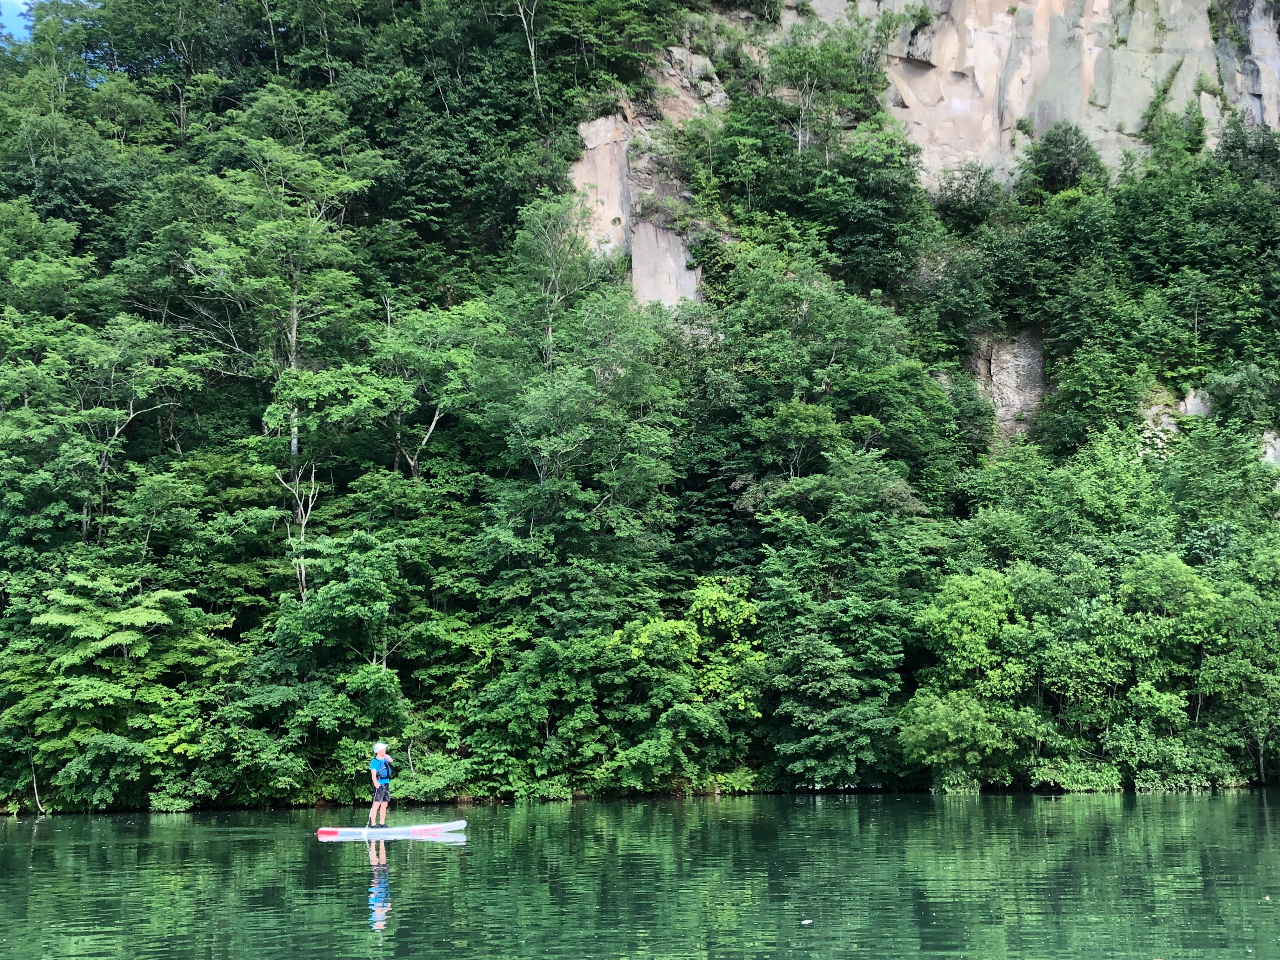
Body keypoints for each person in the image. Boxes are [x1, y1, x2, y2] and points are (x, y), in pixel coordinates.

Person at [368, 742, 393, 827]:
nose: (385, 750)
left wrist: (384, 755)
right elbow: (373, 774)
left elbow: (391, 760)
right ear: (379, 751)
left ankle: (382, 823)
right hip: (379, 784)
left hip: (386, 783)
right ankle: (373, 824)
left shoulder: (386, 758)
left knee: (384, 804)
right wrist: (375, 783)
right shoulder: (374, 762)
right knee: (376, 804)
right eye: (383, 749)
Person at [368, 839, 389, 931]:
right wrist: (384, 910)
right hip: (384, 883)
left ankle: (374, 842)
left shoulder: (373, 905)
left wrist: (374, 881)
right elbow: (389, 904)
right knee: (383, 863)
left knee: (376, 864)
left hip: (378, 882)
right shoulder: (383, 907)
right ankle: (381, 841)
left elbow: (372, 892)